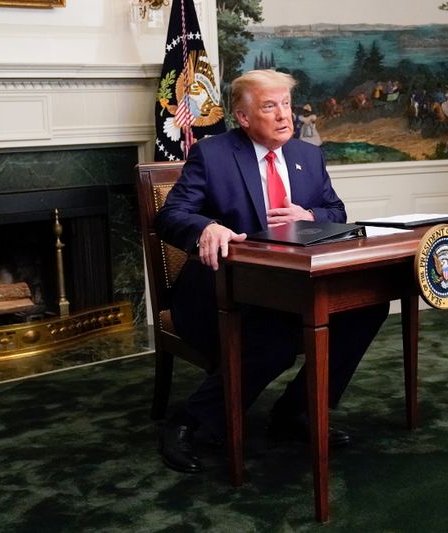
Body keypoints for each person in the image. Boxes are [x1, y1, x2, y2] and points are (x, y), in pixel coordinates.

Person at [154, 69, 389, 474]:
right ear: (243, 117)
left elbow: (337, 212)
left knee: (367, 306)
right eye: (269, 106)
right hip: (220, 289)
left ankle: (294, 411)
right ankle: (188, 421)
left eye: (286, 104)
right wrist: (206, 227)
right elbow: (171, 215)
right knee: (277, 339)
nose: (284, 115)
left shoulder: (308, 156)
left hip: (289, 286)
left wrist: (309, 215)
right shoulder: (212, 154)